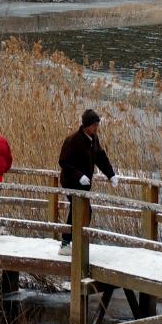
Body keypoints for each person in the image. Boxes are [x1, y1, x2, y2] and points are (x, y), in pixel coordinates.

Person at [57, 109, 120, 255]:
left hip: (84, 184)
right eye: (94, 125)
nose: (96, 128)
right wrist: (78, 176)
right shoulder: (73, 140)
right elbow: (63, 161)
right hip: (71, 182)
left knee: (83, 211)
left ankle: (72, 242)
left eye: (97, 125)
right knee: (80, 209)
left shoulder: (93, 139)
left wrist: (110, 175)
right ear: (86, 125)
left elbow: (100, 158)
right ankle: (67, 243)